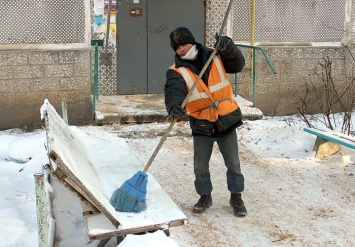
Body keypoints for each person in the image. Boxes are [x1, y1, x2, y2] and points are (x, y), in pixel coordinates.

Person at [164, 27, 247, 217]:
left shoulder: (215, 54)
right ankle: (205, 196)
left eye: (184, 44)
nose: (182, 50)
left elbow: (238, 64)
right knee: (200, 166)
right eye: (177, 48)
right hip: (202, 123)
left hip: (226, 119)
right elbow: (174, 90)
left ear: (191, 42)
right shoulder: (176, 71)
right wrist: (174, 106)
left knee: (233, 163)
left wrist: (229, 48)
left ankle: (236, 197)